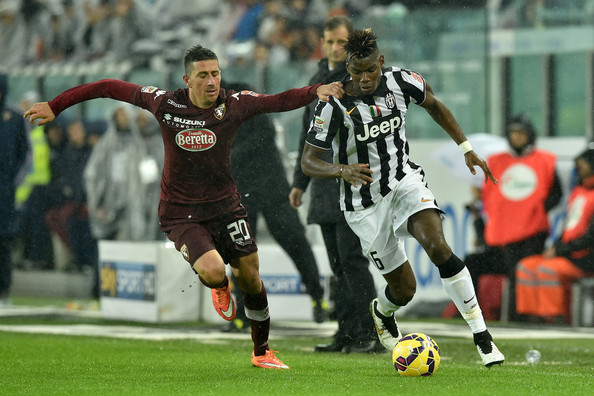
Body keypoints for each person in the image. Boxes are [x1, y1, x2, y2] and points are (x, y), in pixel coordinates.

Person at [24, 44, 343, 369]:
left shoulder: (234, 104)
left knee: (250, 276)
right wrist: (56, 105)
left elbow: (280, 100)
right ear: (186, 80)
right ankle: (219, 288)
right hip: (181, 212)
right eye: (202, 75)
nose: (211, 81)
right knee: (215, 269)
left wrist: (315, 90)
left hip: (226, 207)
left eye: (215, 74)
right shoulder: (165, 102)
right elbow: (108, 86)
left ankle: (262, 352)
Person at [300, 28, 505, 367]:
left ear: (381, 62)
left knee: (439, 247)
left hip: (404, 181)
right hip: (364, 205)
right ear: (347, 67)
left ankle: (482, 337)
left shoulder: (403, 81)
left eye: (370, 70)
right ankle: (383, 311)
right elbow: (309, 160)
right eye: (356, 72)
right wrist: (342, 170)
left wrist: (466, 148)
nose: (364, 79)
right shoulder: (333, 104)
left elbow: (435, 104)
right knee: (404, 290)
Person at [290, 16, 380, 354]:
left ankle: (373, 332)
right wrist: (300, 182)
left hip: (351, 181)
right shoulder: (318, 81)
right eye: (330, 41)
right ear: (323, 43)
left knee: (352, 259)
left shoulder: (358, 79)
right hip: (324, 183)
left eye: (342, 42)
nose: (335, 48)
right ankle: (346, 332)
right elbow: (306, 135)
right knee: (338, 264)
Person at [225, 80, 328, 332]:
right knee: (240, 254)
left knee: (295, 243)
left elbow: (254, 142)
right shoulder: (226, 116)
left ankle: (318, 297)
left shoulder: (255, 114)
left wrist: (223, 151)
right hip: (244, 192)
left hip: (271, 189)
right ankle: (240, 313)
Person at [482, 113, 562, 321]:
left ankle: (532, 315)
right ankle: (518, 315)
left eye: (520, 133)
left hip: (534, 229)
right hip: (506, 230)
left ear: (529, 135)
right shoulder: (496, 162)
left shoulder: (545, 160)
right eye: (513, 133)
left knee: (527, 272)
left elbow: (556, 193)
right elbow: (489, 195)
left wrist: (538, 209)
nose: (516, 137)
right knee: (514, 273)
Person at [516, 148, 594, 322]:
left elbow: (590, 238)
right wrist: (556, 247)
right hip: (568, 253)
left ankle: (555, 319)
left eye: (582, 165)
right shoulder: (578, 191)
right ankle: (530, 318)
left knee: (546, 270)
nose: (578, 168)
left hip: (586, 259)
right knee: (525, 267)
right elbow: (569, 227)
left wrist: (559, 250)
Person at [0, 73, 29, 304]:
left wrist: (10, 183)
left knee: (3, 243)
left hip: (4, 194)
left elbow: (25, 156)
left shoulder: (15, 119)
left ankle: (4, 292)